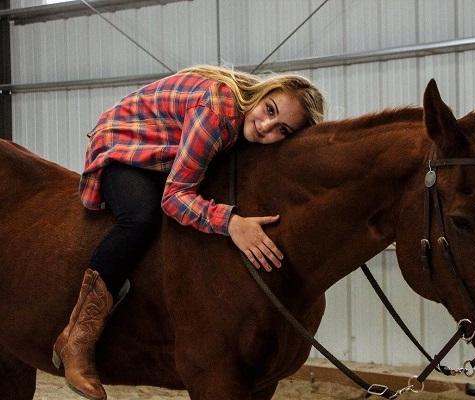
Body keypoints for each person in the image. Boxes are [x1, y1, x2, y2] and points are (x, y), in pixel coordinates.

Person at [51, 65, 325, 400]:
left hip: (169, 150)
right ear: (264, 94)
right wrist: (232, 223)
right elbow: (175, 197)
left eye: (282, 129)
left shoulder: (246, 124)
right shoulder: (217, 113)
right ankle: (77, 338)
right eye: (270, 110)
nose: (266, 127)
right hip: (127, 143)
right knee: (141, 218)